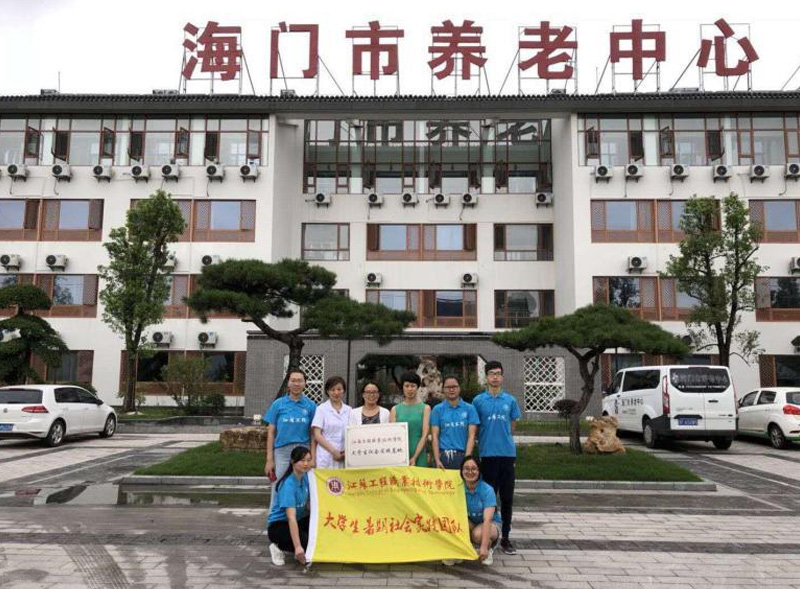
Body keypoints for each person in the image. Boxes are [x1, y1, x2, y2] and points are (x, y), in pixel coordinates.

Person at [472, 361, 521, 555]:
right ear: (486, 377)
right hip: (487, 455)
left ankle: (506, 538)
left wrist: (504, 438)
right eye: (491, 373)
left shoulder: (510, 400)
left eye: (498, 374)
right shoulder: (478, 401)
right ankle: (489, 536)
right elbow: (475, 427)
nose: (495, 377)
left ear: (502, 377)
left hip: (507, 455)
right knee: (489, 499)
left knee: (507, 498)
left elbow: (513, 424)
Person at [264, 369, 317, 508]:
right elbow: (271, 432)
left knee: (303, 485)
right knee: (279, 484)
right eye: (293, 380)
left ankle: (301, 517)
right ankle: (276, 517)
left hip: (303, 451)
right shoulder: (278, 404)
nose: (296, 384)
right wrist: (269, 459)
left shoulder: (311, 406)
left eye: (299, 381)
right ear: (288, 383)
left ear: (305, 383)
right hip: (282, 451)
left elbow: (313, 434)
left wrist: (313, 457)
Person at [443, 456, 500, 566]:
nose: (470, 472)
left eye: (474, 469)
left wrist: (484, 547)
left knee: (478, 535)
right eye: (466, 468)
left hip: (489, 524)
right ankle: (458, 552)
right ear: (461, 471)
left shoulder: (487, 490)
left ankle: (488, 548)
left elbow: (487, 520)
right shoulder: (456, 488)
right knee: (450, 521)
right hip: (470, 522)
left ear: (479, 471)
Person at [267, 446, 313, 566]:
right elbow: (291, 517)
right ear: (293, 461)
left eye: (308, 460)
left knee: (317, 532)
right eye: (302, 460)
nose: (306, 464)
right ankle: (278, 546)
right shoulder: (288, 485)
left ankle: (298, 546)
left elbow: (309, 505)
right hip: (279, 525)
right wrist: (298, 547)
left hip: (297, 520)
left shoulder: (305, 478)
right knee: (305, 542)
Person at [431, 376, 480, 470]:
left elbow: (472, 436)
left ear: (459, 388)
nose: (451, 389)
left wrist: (467, 459)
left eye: (454, 386)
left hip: (462, 455)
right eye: (448, 387)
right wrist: (437, 459)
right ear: (443, 389)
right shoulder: (437, 409)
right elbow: (434, 436)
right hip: (443, 455)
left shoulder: (470, 409)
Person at [390, 371, 430, 467]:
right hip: (399, 455)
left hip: (419, 454)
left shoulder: (425, 408)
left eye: (413, 386)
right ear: (402, 387)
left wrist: (415, 457)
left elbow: (425, 435)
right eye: (406, 386)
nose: (410, 389)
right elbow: (392, 436)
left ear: (418, 387)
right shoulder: (395, 409)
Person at [311, 376, 351, 469]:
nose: (336, 392)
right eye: (332, 390)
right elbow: (317, 435)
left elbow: (352, 433)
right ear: (327, 391)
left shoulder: (349, 410)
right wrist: (333, 451)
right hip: (325, 455)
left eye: (339, 389)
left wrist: (347, 451)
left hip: (344, 456)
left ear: (343, 391)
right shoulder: (321, 409)